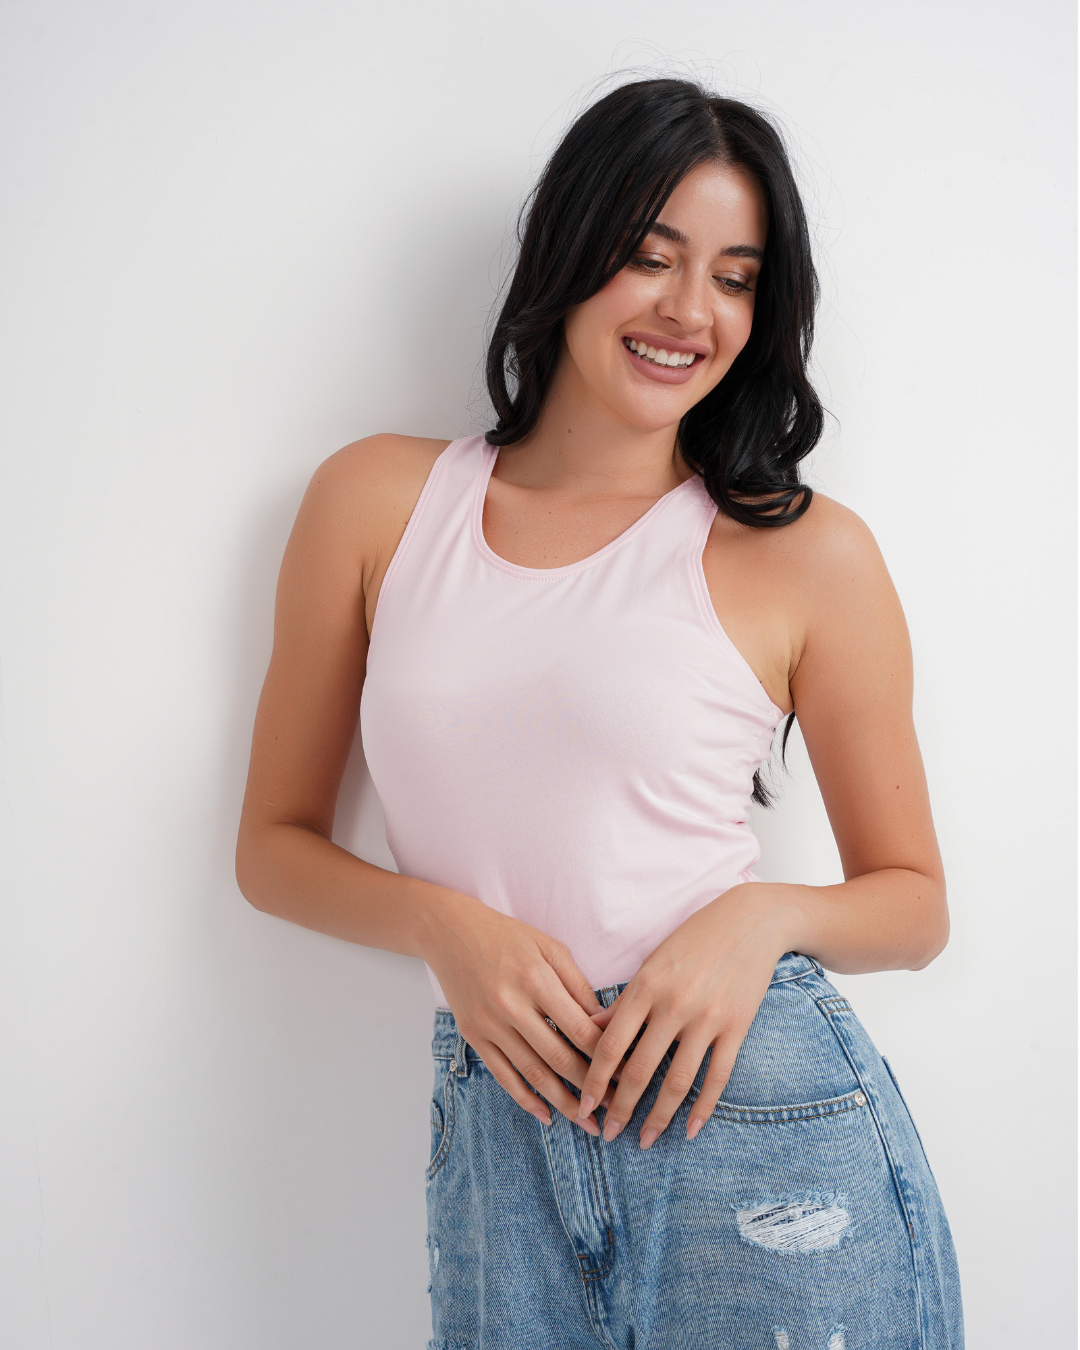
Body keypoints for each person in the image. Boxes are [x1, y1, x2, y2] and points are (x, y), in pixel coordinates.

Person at [236, 78, 963, 1349]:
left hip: (760, 1119)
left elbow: (915, 905)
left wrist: (762, 918)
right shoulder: (379, 502)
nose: (689, 310)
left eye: (734, 279)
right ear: (571, 251)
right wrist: (443, 927)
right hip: (500, 1129)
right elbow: (271, 849)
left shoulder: (804, 556)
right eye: (650, 256)